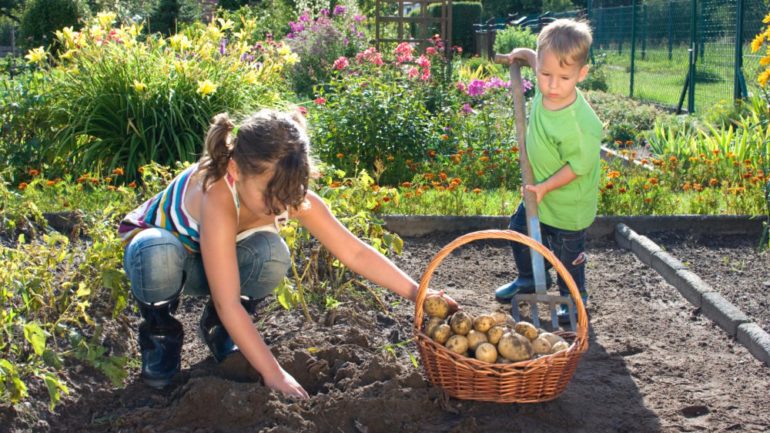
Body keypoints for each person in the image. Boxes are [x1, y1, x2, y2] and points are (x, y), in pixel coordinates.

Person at [119, 109, 458, 398]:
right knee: (156, 250)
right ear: (236, 172)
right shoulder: (219, 193)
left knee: (272, 253)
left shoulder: (285, 192)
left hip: (218, 264)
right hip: (166, 261)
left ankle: (220, 330)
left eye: (291, 193)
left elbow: (354, 253)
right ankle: (159, 335)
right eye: (273, 195)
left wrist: (419, 293)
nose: (282, 206)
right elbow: (227, 300)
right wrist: (275, 374)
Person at [493, 19, 603, 324]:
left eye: (564, 77)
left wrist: (544, 188)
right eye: (545, 74)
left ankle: (573, 296)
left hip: (568, 205)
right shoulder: (549, 85)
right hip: (538, 193)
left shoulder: (580, 124)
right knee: (519, 232)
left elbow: (577, 168)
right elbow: (536, 60)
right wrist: (525, 54)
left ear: (581, 74)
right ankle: (528, 277)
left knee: (568, 257)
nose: (553, 85)